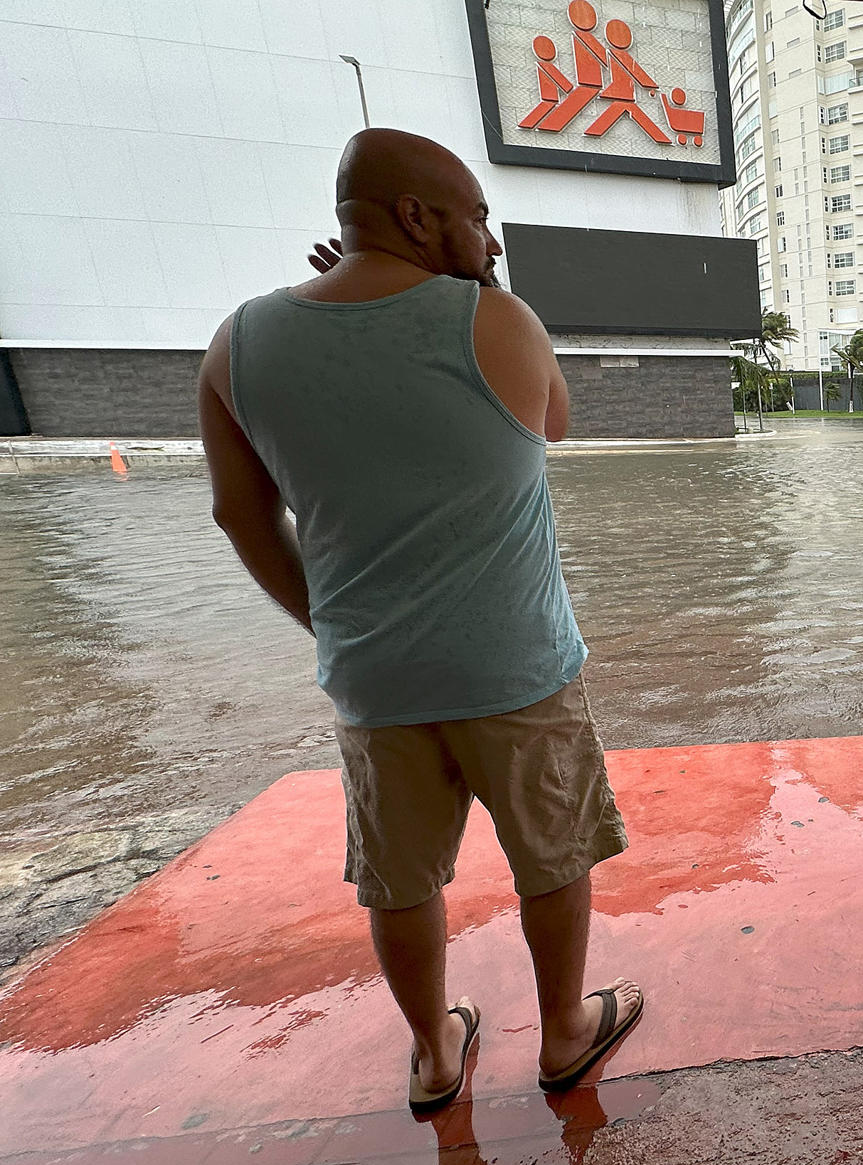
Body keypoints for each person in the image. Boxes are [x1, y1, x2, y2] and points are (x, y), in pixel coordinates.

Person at [197, 128, 644, 1114]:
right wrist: (480, 291)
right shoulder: (498, 321)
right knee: (552, 853)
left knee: (398, 881)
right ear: (416, 217)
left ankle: (436, 1055)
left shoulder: (238, 344)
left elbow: (240, 514)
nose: (490, 241)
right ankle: (566, 1030)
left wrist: (331, 623)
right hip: (518, 668)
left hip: (374, 681)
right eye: (477, 218)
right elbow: (556, 420)